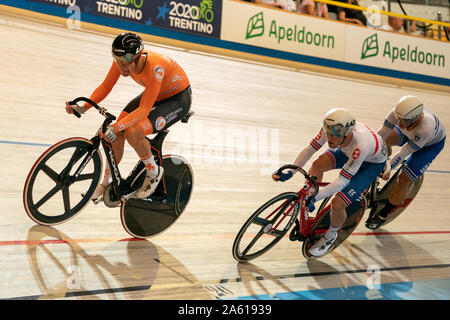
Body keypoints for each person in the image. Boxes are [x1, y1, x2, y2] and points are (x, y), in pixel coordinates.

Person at [66, 32, 192, 201]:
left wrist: (117, 126)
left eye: (125, 63)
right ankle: (107, 181)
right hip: (157, 94)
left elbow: (144, 110)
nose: (122, 67)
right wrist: (84, 107)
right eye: (118, 62)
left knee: (133, 131)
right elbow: (105, 87)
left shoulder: (155, 68)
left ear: (138, 58)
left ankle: (153, 171)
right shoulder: (121, 61)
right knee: (117, 131)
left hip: (177, 100)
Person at [273, 108, 387, 257]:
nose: (330, 139)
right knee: (317, 165)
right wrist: (291, 172)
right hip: (347, 151)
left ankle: (331, 235)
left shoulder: (361, 144)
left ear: (346, 133)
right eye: (329, 134)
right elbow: (310, 150)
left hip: (370, 164)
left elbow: (341, 181)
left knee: (338, 203)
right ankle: (307, 202)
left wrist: (315, 198)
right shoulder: (331, 129)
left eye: (335, 136)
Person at [366, 96, 446, 229]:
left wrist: (388, 168)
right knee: (382, 141)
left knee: (403, 179)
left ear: (416, 118)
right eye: (398, 120)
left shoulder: (425, 129)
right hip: (409, 133)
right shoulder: (399, 114)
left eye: (403, 121)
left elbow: (404, 153)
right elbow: (381, 133)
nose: (399, 123)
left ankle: (385, 213)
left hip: (429, 146)